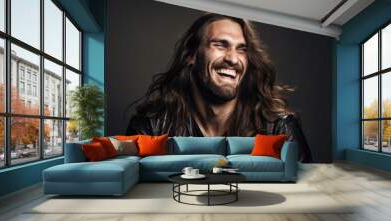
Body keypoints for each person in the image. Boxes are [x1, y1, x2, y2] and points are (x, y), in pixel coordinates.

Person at [126, 13, 312, 162]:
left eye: (241, 49)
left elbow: (303, 194)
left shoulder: (278, 126)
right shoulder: (151, 126)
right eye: (220, 45)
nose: (232, 58)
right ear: (191, 55)